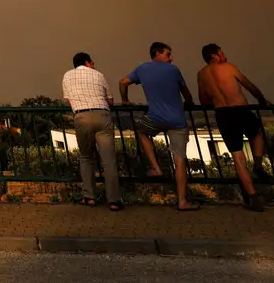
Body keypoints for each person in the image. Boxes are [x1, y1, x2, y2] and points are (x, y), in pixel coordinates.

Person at [120, 42, 197, 211]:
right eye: (168, 54)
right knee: (180, 160)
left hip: (155, 119)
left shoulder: (142, 69)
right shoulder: (174, 70)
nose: (171, 58)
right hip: (177, 121)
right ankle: (182, 201)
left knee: (140, 129)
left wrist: (125, 100)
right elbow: (187, 94)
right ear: (158, 53)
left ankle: (155, 168)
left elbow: (123, 82)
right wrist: (189, 103)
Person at [196, 44, 270, 210]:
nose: (224, 55)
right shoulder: (228, 67)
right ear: (215, 55)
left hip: (222, 114)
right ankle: (258, 166)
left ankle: (253, 199)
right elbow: (249, 85)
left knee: (238, 158)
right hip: (240, 110)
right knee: (257, 134)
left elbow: (203, 100)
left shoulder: (201, 74)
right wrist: (262, 100)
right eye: (221, 52)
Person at [61, 53, 122, 211]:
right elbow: (110, 100)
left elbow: (69, 100)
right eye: (92, 62)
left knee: (86, 157)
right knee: (108, 160)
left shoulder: (67, 76)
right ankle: (114, 200)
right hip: (103, 115)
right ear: (87, 62)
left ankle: (89, 197)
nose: (94, 65)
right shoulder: (99, 75)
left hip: (82, 116)